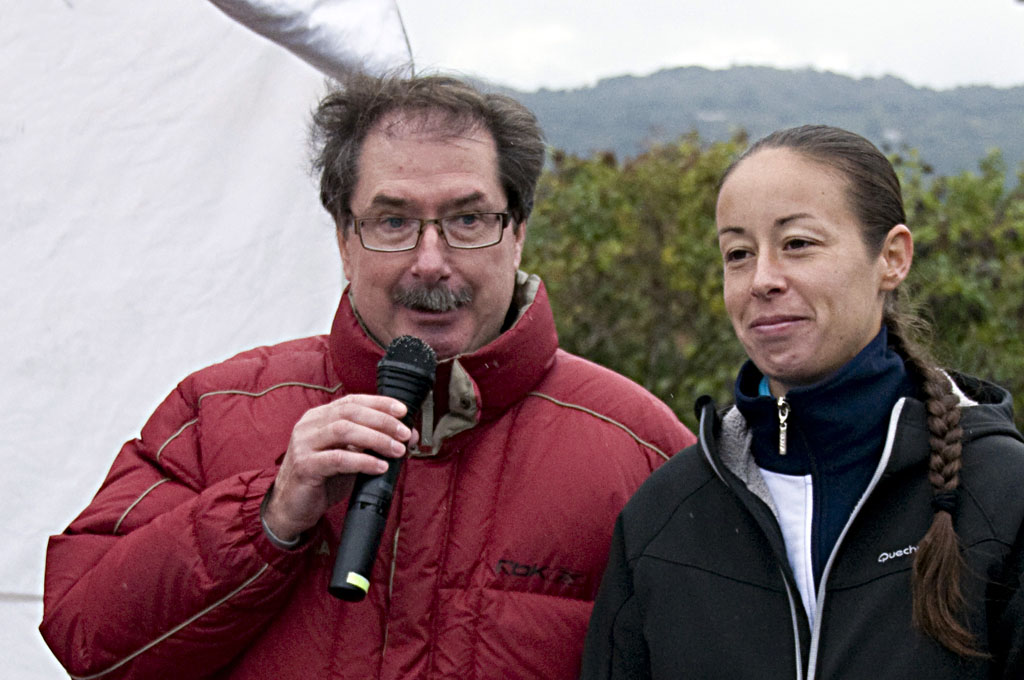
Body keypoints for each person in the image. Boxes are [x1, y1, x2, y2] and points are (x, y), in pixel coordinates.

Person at [39, 73, 695, 680]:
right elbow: (87, 641)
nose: (430, 261)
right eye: (393, 222)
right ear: (343, 240)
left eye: (468, 220)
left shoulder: (641, 449)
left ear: (517, 233)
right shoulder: (215, 412)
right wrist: (268, 513)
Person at [581, 125, 1024, 679]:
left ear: (892, 257)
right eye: (738, 253)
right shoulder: (664, 517)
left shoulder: (1002, 496)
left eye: (797, 244)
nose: (762, 279)